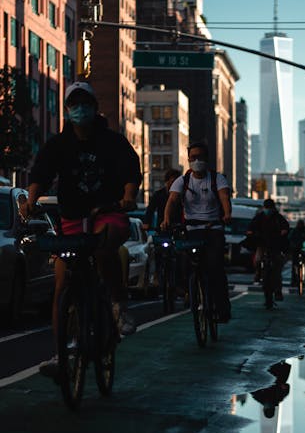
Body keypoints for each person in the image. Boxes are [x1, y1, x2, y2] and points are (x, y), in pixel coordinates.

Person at [26, 81, 142, 375]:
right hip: (71, 219)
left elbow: (131, 171)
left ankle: (118, 305)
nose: (80, 109)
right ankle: (60, 353)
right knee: (62, 286)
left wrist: (128, 197)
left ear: (95, 107)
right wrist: (30, 200)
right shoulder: (58, 145)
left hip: (108, 214)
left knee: (104, 249)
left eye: (85, 103)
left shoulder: (112, 142)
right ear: (66, 110)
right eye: (74, 104)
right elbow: (40, 173)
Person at [162, 141, 232, 323]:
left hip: (214, 229)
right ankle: (190, 290)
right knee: (184, 263)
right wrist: (166, 219)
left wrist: (227, 214)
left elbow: (224, 197)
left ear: (207, 159)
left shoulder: (218, 179)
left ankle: (222, 309)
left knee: (215, 267)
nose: (197, 160)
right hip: (192, 230)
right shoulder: (182, 181)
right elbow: (172, 201)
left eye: (200, 157)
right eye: (193, 157)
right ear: (188, 159)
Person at [246, 198, 289, 309]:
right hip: (262, 245)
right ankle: (257, 273)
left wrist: (283, 231)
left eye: (270, 208)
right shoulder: (259, 217)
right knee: (257, 260)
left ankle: (278, 291)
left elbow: (286, 226)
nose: (268, 210)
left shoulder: (278, 217)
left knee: (277, 268)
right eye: (266, 207)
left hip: (275, 246)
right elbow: (250, 227)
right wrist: (250, 232)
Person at [289, 219, 305, 286]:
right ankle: (294, 281)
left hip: (304, 249)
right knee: (294, 265)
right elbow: (290, 239)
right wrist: (292, 246)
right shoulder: (294, 231)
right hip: (296, 249)